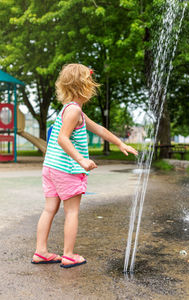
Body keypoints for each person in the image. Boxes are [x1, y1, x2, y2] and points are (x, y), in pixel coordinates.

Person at [31, 63, 138, 268]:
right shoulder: (74, 112)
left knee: (49, 209)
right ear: (84, 87)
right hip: (66, 169)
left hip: (51, 167)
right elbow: (63, 138)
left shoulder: (71, 109)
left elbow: (98, 128)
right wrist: (81, 160)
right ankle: (69, 255)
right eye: (90, 84)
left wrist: (119, 142)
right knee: (72, 212)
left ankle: (41, 251)